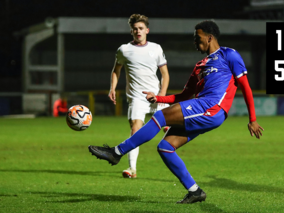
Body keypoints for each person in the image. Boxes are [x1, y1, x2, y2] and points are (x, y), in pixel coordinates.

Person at [89, 20, 264, 204]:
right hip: (201, 108)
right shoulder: (199, 66)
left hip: (212, 108)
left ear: (210, 37)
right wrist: (159, 98)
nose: (195, 42)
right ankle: (195, 191)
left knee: (159, 117)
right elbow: (184, 95)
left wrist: (252, 119)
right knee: (165, 148)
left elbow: (245, 87)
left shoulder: (229, 55)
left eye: (198, 38)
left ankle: (117, 152)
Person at [108, 14, 170, 179]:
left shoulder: (156, 48)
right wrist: (112, 88)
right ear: (131, 31)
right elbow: (116, 70)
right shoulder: (124, 50)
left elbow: (165, 74)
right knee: (135, 130)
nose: (138, 31)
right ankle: (132, 168)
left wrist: (162, 94)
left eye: (141, 28)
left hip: (156, 96)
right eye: (135, 29)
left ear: (147, 30)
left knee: (170, 124)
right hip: (136, 97)